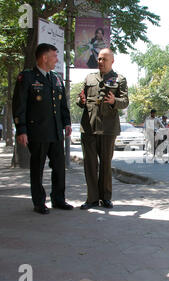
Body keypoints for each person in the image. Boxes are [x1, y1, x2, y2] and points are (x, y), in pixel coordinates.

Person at [12, 43, 73, 215]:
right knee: (37, 167)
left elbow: (62, 105)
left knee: (59, 167)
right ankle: (39, 202)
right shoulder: (28, 77)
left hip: (55, 132)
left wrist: (67, 122)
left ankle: (58, 199)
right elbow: (19, 106)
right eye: (54, 56)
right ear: (44, 58)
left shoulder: (56, 78)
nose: (57, 60)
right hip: (37, 132)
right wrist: (21, 130)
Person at [77, 48, 129, 210]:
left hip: (108, 128)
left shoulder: (119, 79)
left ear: (112, 61)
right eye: (99, 59)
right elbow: (81, 101)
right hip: (89, 127)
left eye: (104, 59)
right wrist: (81, 100)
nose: (100, 62)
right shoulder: (89, 78)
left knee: (106, 164)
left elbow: (125, 101)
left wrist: (114, 101)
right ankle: (92, 198)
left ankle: (105, 197)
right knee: (90, 165)